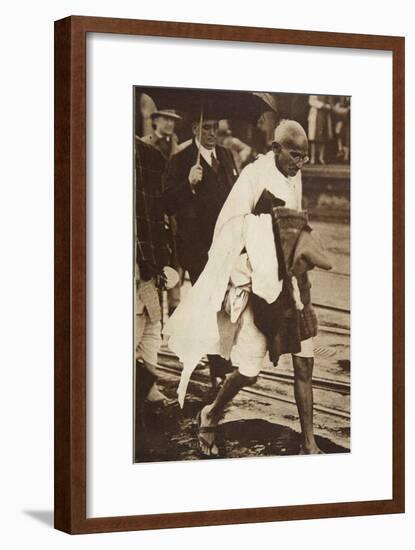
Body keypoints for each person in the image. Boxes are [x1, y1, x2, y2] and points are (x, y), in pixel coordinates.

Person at [165, 120, 330, 457]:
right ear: (275, 148)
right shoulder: (253, 176)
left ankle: (309, 443)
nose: (299, 164)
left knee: (304, 363)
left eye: (304, 158)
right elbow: (229, 229)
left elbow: (295, 223)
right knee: (248, 371)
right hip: (261, 282)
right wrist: (265, 232)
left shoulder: (294, 173)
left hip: (293, 281)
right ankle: (210, 413)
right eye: (294, 156)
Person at [163, 116, 239, 384]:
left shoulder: (226, 157)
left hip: (225, 246)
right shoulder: (182, 160)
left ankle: (220, 357)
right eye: (206, 128)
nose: (211, 133)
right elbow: (167, 203)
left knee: (227, 303)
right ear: (195, 129)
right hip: (198, 249)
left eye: (215, 127)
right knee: (209, 304)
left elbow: (235, 195)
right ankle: (217, 366)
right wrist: (189, 184)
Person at [134, 138, 173, 434]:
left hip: (146, 261)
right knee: (133, 329)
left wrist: (162, 260)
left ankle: (148, 387)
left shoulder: (149, 156)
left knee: (151, 327)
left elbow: (157, 214)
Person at [141, 108, 183, 313]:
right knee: (155, 268)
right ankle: (155, 320)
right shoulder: (145, 145)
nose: (169, 124)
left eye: (172, 120)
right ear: (155, 120)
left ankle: (173, 329)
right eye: (165, 119)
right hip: (153, 214)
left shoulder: (178, 148)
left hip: (173, 215)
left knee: (175, 268)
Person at [307, 95, 333, 164]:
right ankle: (312, 158)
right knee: (313, 138)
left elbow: (330, 104)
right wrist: (322, 105)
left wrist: (328, 106)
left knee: (323, 137)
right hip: (316, 114)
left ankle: (321, 158)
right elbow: (311, 101)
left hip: (324, 115)